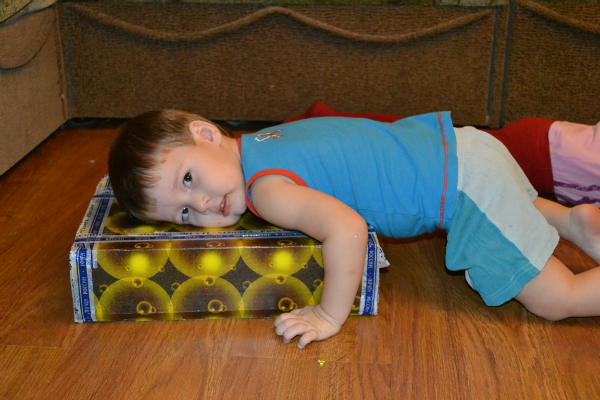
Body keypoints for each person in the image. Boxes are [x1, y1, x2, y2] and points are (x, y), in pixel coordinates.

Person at [108, 109, 600, 349]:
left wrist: (328, 315)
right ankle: (571, 221)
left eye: (188, 179)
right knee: (516, 210)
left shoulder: (265, 189)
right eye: (185, 214)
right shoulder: (265, 138)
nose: (201, 204)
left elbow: (347, 228)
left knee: (557, 299)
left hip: (464, 188)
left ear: (205, 133)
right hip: (465, 146)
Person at [286, 102, 600, 207]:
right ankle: (326, 121)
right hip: (539, 154)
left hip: (544, 153)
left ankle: (328, 122)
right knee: (424, 148)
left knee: (424, 146)